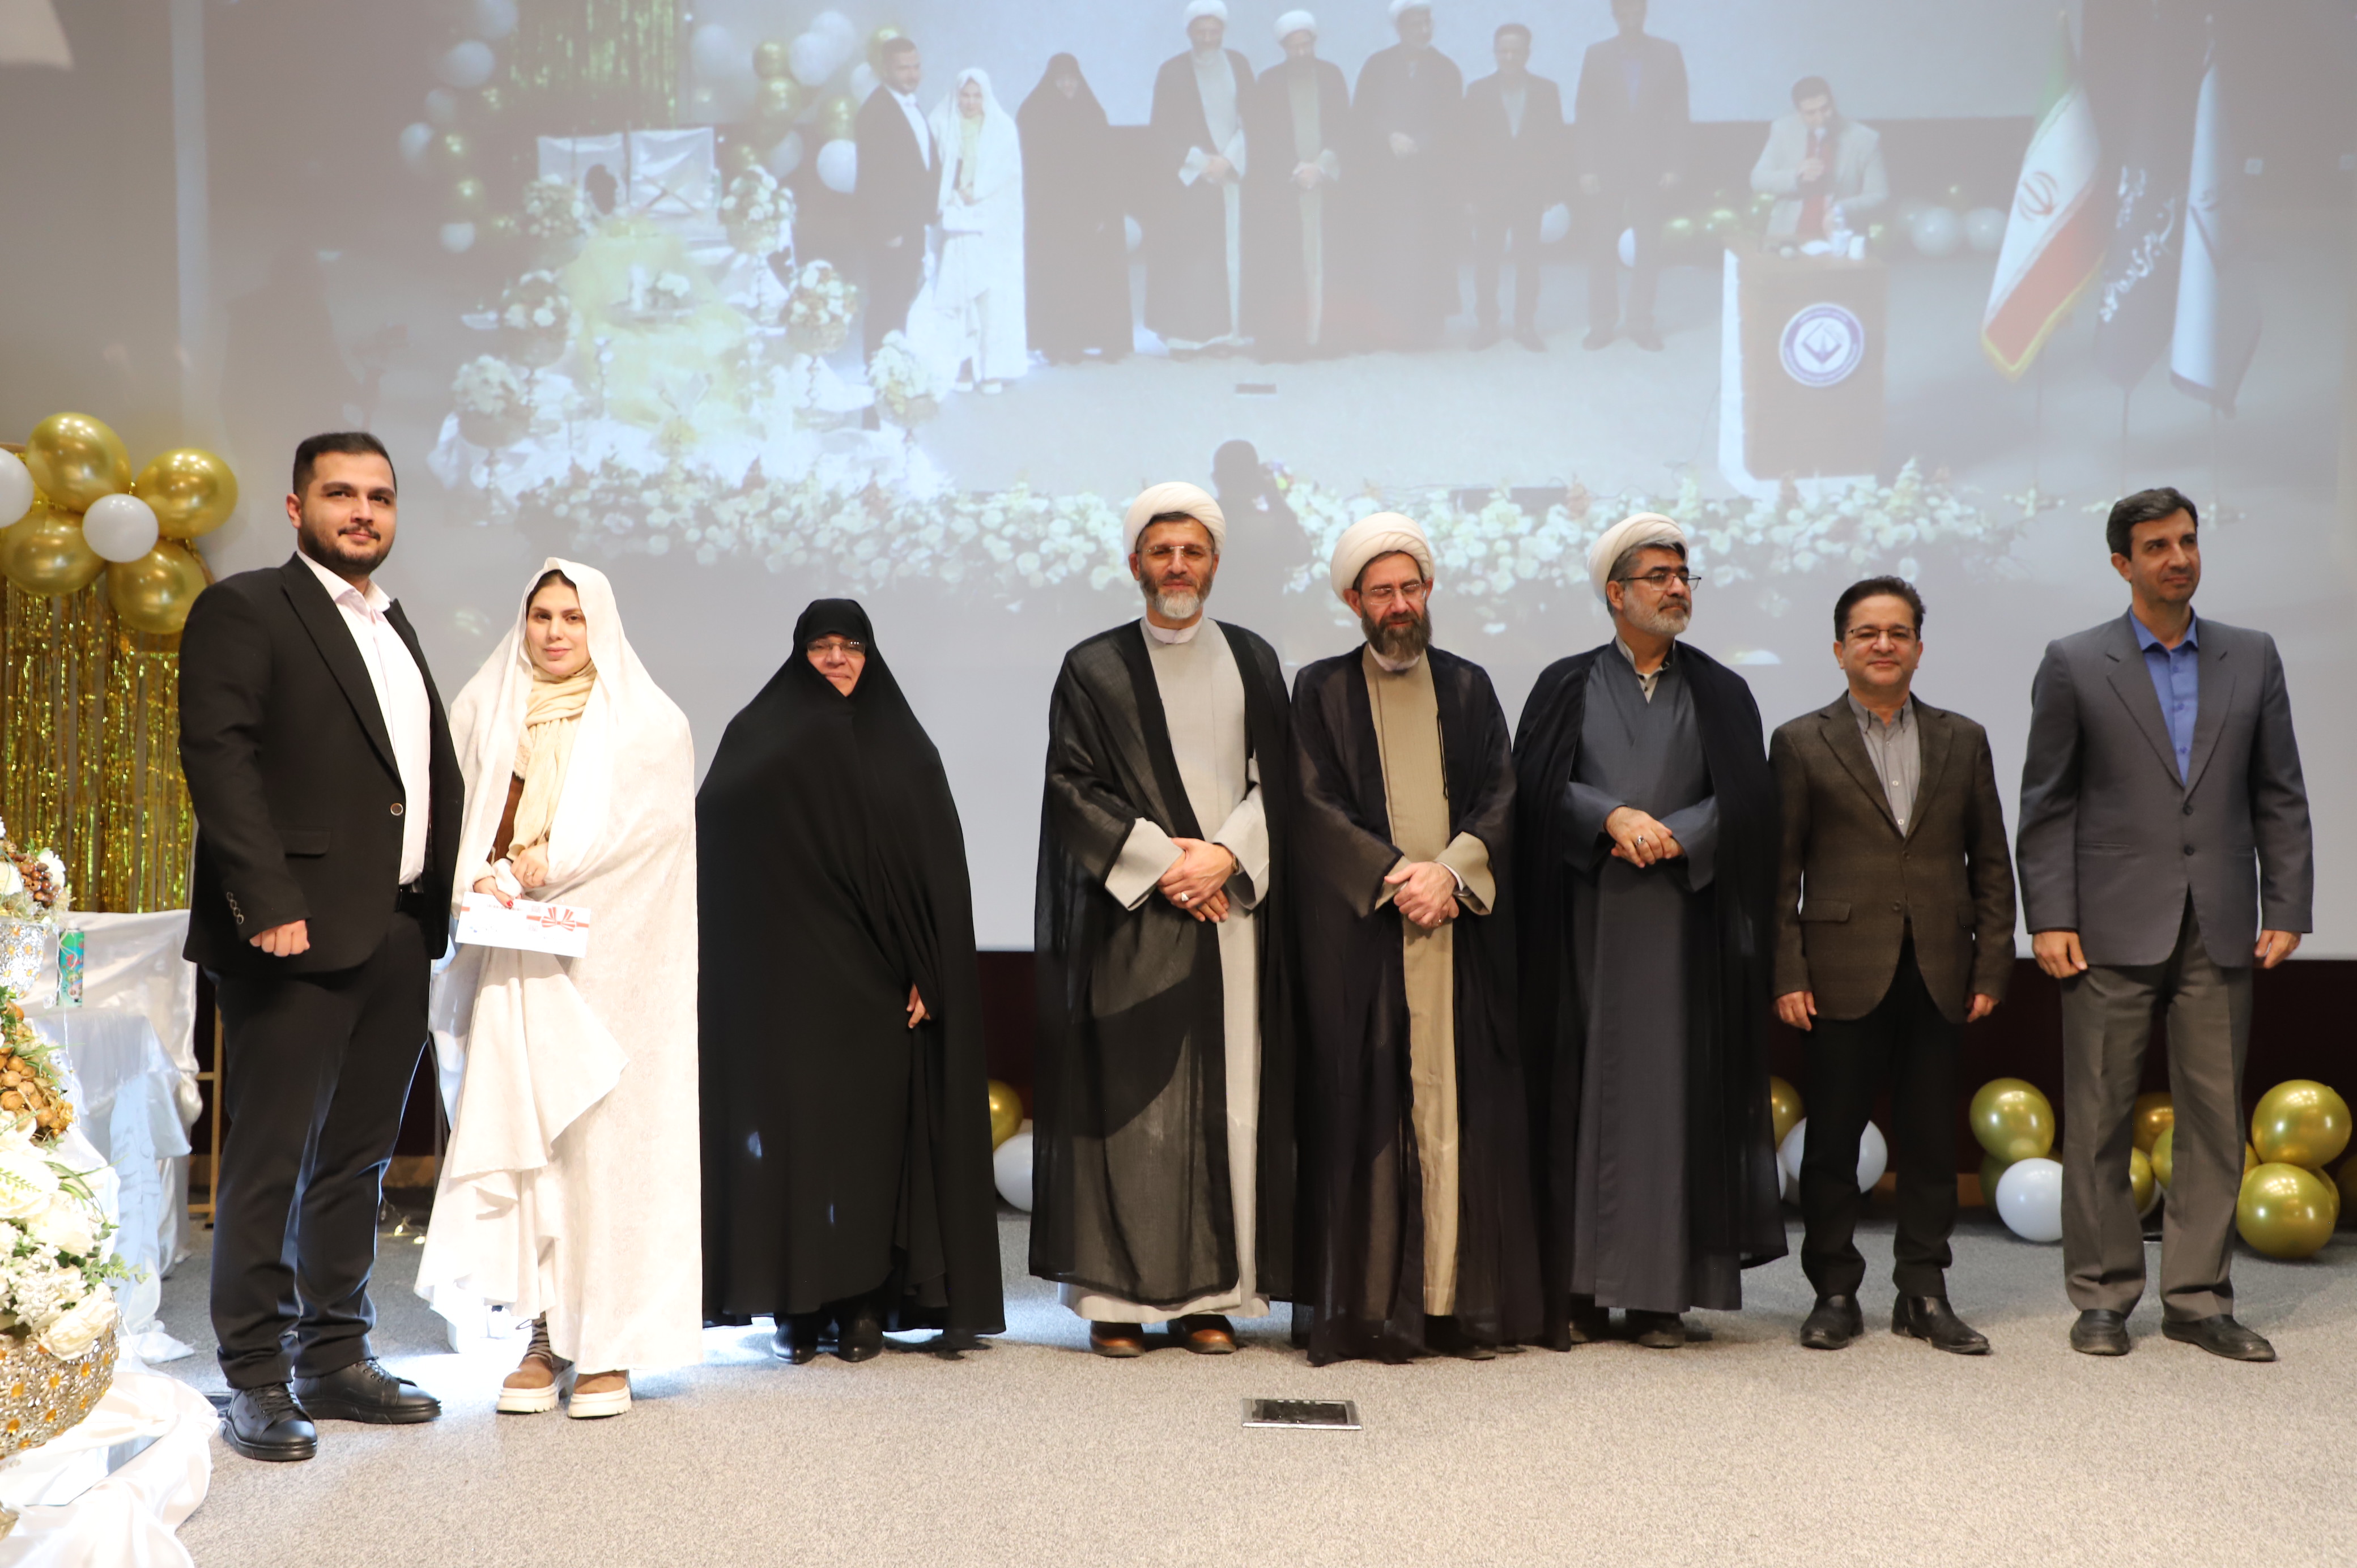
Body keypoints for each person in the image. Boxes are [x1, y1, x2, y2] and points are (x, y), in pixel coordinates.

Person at [179, 432, 462, 1462]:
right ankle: (254, 1372)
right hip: (292, 928)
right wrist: (266, 898)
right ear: (297, 508)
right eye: (341, 493)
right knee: (271, 1157)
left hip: (397, 927)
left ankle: (334, 1354)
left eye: (379, 496)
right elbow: (219, 757)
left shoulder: (393, 622)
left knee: (357, 1156)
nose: (363, 511)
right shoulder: (247, 607)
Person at [2019, 487, 2312, 1362]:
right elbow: (2047, 802)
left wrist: (2287, 903)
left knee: (2216, 1120)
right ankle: (2103, 1295)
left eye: (2187, 541)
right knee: (2099, 1116)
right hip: (2106, 926)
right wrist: (2050, 916)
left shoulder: (2252, 656)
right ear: (2123, 563)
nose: (2178, 558)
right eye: (2156, 546)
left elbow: (2280, 791)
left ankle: (2197, 1299)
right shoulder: (2075, 662)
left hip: (2220, 921)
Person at [416, 561, 701, 1419]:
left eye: (572, 617)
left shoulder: (651, 724)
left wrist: (558, 862)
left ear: (598, 624)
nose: (554, 632)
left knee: (608, 1150)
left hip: (614, 971)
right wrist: (483, 876)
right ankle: (542, 1335)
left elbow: (652, 843)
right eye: (541, 614)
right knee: (530, 1146)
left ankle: (608, 1342)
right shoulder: (484, 707)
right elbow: (449, 821)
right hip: (515, 962)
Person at [1032, 482, 1298, 1357]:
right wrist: (1169, 866)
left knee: (1227, 1107)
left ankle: (1209, 1300)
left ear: (1215, 563)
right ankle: (1115, 1302)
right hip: (1133, 918)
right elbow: (1072, 787)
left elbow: (1282, 783)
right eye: (1161, 552)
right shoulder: (1093, 667)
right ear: (1134, 564)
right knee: (1132, 1109)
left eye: (1192, 552)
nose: (1177, 566)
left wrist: (1226, 857)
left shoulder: (1254, 659)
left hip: (1231, 916)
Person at [700, 601, 1005, 1364]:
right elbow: (716, 834)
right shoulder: (755, 737)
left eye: (852, 646)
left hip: (877, 987)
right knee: (794, 1143)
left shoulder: (903, 746)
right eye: (821, 646)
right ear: (798, 654)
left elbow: (937, 872)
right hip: (784, 987)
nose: (837, 658)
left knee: (870, 1147)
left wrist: (932, 970)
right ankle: (796, 1307)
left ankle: (864, 1303)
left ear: (870, 655)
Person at [1511, 513, 1784, 1349]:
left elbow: (1748, 799)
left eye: (1682, 576)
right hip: (1584, 922)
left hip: (1682, 925)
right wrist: (1610, 816)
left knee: (1673, 1099)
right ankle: (1578, 1289)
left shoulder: (1722, 691)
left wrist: (1682, 833)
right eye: (1659, 576)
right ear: (1615, 593)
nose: (1676, 589)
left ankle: (1661, 1294)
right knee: (1579, 1093)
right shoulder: (1564, 684)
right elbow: (1531, 788)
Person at [1290, 514, 1541, 1364]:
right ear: (1354, 601)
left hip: (1456, 932)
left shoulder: (1468, 686)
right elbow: (1312, 803)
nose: (1399, 605)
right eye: (1381, 592)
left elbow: (1502, 793)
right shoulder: (1320, 689)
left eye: (1410, 588)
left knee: (1460, 1114)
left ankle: (1455, 1305)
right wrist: (1398, 875)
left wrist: (1451, 872)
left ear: (1428, 591)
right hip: (1368, 939)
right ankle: (1375, 1309)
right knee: (1371, 1113)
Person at [1770, 577, 2015, 1356]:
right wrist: (1786, 971)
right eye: (1866, 633)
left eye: (1898, 632)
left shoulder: (1963, 738)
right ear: (1839, 649)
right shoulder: (1799, 741)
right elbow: (1778, 873)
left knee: (1932, 1142)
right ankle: (1834, 1292)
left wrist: (1992, 966)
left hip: (1940, 967)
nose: (1883, 644)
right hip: (1837, 969)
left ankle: (1923, 1291)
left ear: (1918, 647)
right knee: (1832, 1144)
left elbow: (1991, 862)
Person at [1572, 0, 1687, 350]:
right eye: (1624, 13)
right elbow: (1585, 113)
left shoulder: (1668, 53)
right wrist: (1586, 167)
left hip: (1651, 166)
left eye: (1637, 12)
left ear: (1645, 12)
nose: (1631, 20)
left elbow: (1678, 112)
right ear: (1614, 15)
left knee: (1647, 247)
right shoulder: (1597, 55)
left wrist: (1675, 165)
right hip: (1606, 167)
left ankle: (1640, 323)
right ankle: (1602, 323)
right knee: (1601, 246)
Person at [1351, 1, 1465, 350]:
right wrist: (1389, 136)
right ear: (1400, 28)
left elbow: (1454, 121)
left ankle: (1424, 329)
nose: (1423, 31)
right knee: (1386, 253)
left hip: (1429, 182)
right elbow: (1361, 114)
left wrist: (1422, 142)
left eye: (1427, 23)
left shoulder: (1446, 69)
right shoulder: (1377, 66)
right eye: (1415, 25)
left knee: (1428, 252)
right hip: (1386, 180)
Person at [1147, 2, 1256, 355]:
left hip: (1230, 176)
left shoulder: (1239, 64)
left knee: (1226, 258)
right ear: (1189, 32)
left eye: (1214, 31)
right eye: (1201, 32)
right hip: (1191, 181)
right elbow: (1161, 131)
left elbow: (1254, 118)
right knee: (1192, 261)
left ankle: (1225, 335)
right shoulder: (1172, 71)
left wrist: (1229, 160)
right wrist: (1201, 163)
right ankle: (1188, 338)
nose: (1208, 38)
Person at [1243, 12, 1351, 360]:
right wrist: (1297, 169)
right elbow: (1262, 136)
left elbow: (1345, 127)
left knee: (1328, 263)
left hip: (1326, 187)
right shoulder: (1269, 82)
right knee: (1285, 266)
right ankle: (1289, 341)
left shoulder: (1332, 76)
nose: (1302, 53)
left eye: (1307, 45)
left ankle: (1326, 339)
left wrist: (1322, 167)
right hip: (1286, 190)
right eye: (1295, 47)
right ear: (1283, 47)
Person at [1018, 54, 1133, 364]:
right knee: (1058, 279)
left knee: (1092, 276)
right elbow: (1033, 169)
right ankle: (1057, 343)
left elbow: (1106, 166)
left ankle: (1095, 340)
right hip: (1051, 215)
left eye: (1072, 79)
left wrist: (1102, 211)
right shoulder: (1034, 113)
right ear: (1051, 81)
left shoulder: (1092, 112)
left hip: (1089, 214)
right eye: (1061, 79)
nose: (1068, 85)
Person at [1461, 23, 1564, 350]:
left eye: (1515, 51)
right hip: (1488, 193)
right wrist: (1469, 194)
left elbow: (1555, 144)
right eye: (1503, 51)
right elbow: (1467, 146)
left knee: (1528, 262)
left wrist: (1552, 190)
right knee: (1486, 263)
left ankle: (1525, 324)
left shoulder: (1546, 91)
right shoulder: (1478, 91)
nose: (1509, 57)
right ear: (1495, 53)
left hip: (1529, 192)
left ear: (1527, 54)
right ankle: (1487, 324)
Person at [924, 68, 1027, 394]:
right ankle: (963, 366)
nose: (970, 103)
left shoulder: (1002, 128)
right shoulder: (941, 123)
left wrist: (978, 191)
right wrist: (951, 197)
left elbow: (1009, 177)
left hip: (992, 228)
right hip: (955, 222)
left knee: (991, 299)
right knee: (959, 294)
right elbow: (932, 170)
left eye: (976, 96)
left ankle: (992, 368)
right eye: (965, 96)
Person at [855, 35, 937, 358]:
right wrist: (889, 230)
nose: (912, 74)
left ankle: (895, 368)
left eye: (916, 66)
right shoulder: (877, 111)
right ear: (886, 70)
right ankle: (879, 368)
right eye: (904, 68)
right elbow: (874, 179)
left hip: (912, 225)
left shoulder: (909, 105)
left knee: (902, 298)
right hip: (891, 231)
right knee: (886, 301)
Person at [1206, 438, 1312, 660]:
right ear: (1255, 478)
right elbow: (1302, 552)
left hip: (1212, 641)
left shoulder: (1199, 526)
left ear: (1216, 478)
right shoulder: (1272, 526)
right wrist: (1274, 495)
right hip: (1264, 641)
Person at [1749, 76, 1888, 245]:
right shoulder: (1783, 130)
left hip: (1840, 240)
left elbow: (1879, 195)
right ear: (1799, 112)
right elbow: (1758, 179)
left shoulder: (1865, 139)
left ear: (1833, 103)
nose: (1821, 118)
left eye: (1825, 109)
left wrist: (1840, 210)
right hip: (1787, 238)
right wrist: (1795, 176)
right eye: (1811, 113)